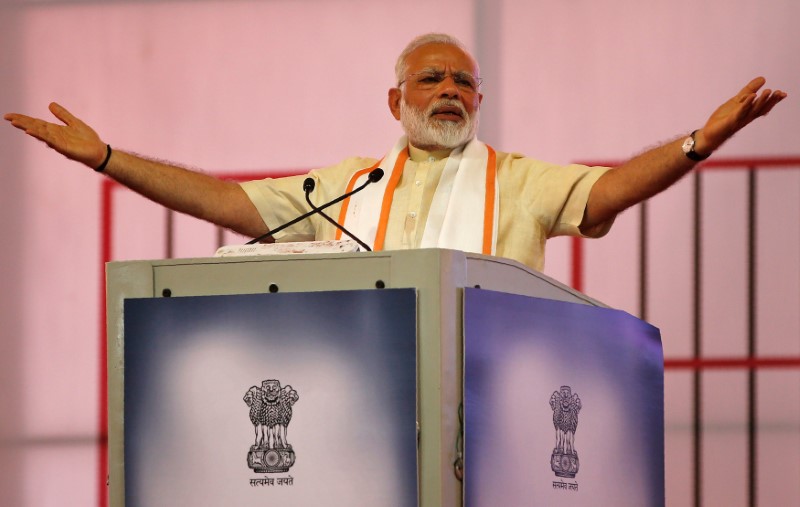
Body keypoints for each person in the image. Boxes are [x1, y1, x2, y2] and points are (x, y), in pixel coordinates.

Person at [4, 33, 787, 271]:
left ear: (479, 102)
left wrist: (697, 143)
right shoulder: (349, 184)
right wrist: (108, 156)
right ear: (397, 100)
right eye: (430, 78)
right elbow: (225, 203)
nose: (448, 90)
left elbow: (609, 191)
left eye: (463, 83)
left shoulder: (516, 181)